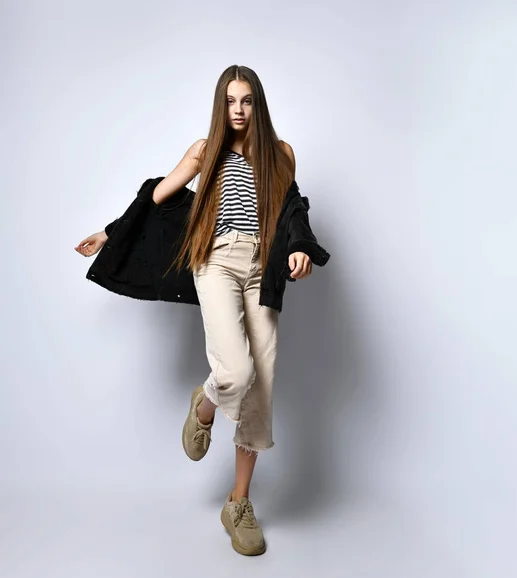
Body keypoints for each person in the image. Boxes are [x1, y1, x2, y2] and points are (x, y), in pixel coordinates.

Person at [74, 65, 330, 556]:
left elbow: (292, 209)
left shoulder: (281, 154)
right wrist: (111, 232)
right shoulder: (204, 151)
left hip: (263, 267)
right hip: (214, 262)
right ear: (221, 104)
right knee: (235, 373)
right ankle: (207, 401)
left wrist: (299, 247)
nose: (238, 110)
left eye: (247, 100)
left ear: (258, 103)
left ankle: (238, 504)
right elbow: (156, 196)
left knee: (263, 382)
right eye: (231, 101)